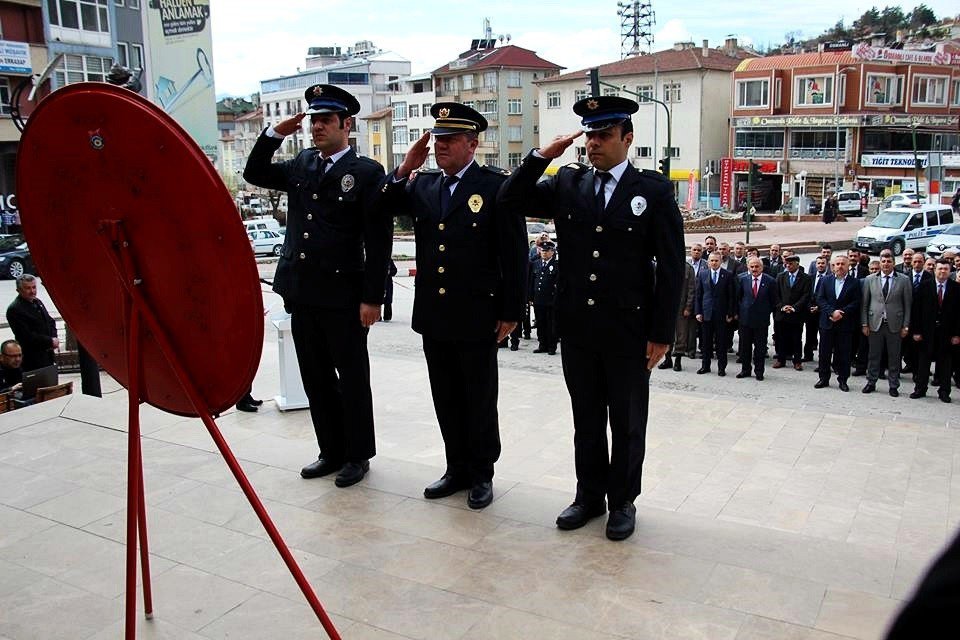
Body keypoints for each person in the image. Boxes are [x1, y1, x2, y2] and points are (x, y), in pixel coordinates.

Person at [497, 94, 685, 541]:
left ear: (627, 138)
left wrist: (662, 333)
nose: (594, 143)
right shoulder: (568, 181)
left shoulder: (652, 190)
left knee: (626, 418)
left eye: (604, 135)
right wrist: (543, 156)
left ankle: (622, 501)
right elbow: (510, 198)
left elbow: (673, 266)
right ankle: (588, 495)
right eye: (590, 135)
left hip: (629, 329)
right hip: (578, 327)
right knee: (586, 417)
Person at [243, 84, 392, 488]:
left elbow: (378, 242)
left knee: (352, 376)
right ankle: (331, 449)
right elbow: (254, 172)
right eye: (313, 120)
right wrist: (275, 133)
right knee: (315, 376)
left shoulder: (366, 173)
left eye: (326, 120)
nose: (317, 127)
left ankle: (357, 455)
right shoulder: (303, 163)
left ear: (347, 124)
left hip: (343, 294)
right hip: (303, 290)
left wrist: (372, 298)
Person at [379, 102, 525, 509]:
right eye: (437, 139)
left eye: (449, 139)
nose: (440, 146)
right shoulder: (424, 185)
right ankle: (455, 466)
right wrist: (405, 168)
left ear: (472, 144)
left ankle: (482, 473)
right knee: (445, 396)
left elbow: (514, 252)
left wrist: (512, 309)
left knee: (479, 397)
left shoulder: (495, 185)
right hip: (434, 314)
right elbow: (383, 205)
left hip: (478, 314)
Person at [861, 251, 911, 397]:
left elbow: (908, 305)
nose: (886, 264)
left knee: (894, 357)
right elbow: (865, 303)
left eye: (889, 261)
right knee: (873, 355)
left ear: (894, 263)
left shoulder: (903, 280)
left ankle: (893, 385)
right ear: (880, 263)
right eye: (883, 261)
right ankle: (871, 381)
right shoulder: (870, 279)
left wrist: (906, 325)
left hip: (895, 324)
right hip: (874, 323)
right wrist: (864, 323)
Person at [910, 259, 960, 402]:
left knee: (945, 364)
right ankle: (920, 389)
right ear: (934, 270)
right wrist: (916, 331)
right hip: (927, 332)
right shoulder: (924, 286)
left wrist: (957, 334)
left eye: (945, 269)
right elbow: (916, 310)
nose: (942, 271)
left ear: (950, 271)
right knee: (923, 363)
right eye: (940, 269)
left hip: (947, 333)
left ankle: (944, 392)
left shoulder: (956, 288)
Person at [814, 255, 862, 392]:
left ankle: (843, 380)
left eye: (843, 264)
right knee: (824, 353)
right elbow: (820, 298)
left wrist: (841, 313)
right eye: (837, 264)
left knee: (844, 354)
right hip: (827, 323)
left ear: (848, 266)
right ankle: (823, 378)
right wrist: (831, 312)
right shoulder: (825, 280)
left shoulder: (855, 282)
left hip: (845, 324)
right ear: (832, 266)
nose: (840, 266)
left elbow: (856, 302)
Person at [734, 257, 778, 380]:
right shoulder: (742, 279)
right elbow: (738, 298)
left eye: (757, 266)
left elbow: (774, 301)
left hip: (761, 321)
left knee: (760, 348)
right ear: (748, 267)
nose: (754, 269)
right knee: (745, 347)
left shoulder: (770, 281)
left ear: (762, 267)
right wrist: (738, 313)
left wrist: (765, 312)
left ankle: (759, 371)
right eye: (752, 266)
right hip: (745, 320)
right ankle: (745, 370)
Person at [6, 274, 59, 372]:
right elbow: (26, 336)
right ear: (19, 290)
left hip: (47, 354)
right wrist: (49, 341)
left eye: (34, 287)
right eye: (28, 288)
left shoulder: (37, 302)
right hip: (33, 358)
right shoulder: (15, 309)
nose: (32, 291)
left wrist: (54, 338)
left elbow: (50, 321)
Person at [695, 252, 735, 376]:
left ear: (720, 262)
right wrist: (698, 312)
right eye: (711, 261)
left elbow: (731, 296)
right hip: (706, 314)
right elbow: (698, 295)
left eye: (716, 261)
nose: (714, 263)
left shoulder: (727, 275)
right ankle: (705, 366)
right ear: (708, 262)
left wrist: (730, 313)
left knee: (721, 343)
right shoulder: (703, 274)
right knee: (706, 343)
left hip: (721, 315)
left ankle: (721, 367)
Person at [773, 255, 811, 370]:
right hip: (782, 313)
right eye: (786, 264)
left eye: (791, 264)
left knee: (796, 339)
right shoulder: (780, 276)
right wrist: (782, 307)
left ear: (797, 264)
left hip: (797, 314)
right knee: (781, 338)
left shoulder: (805, 278)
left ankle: (797, 361)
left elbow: (806, 295)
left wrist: (794, 307)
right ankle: (781, 359)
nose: (788, 266)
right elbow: (776, 294)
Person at [659, 260, 696, 372]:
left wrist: (688, 307)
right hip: (667, 305)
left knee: (681, 334)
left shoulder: (688, 268)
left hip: (681, 306)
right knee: (667, 333)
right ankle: (668, 359)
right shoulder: (665, 265)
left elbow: (691, 289)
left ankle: (678, 360)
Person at [530, 241, 559, 355]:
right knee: (540, 323)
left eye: (546, 251)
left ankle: (552, 346)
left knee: (550, 324)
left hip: (550, 300)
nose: (544, 253)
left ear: (552, 252)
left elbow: (558, 284)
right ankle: (542, 344)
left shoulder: (556, 265)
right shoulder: (536, 264)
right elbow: (532, 282)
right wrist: (530, 297)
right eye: (542, 251)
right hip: (538, 299)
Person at [803, 255, 829, 363]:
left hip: (823, 312)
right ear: (815, 264)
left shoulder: (830, 278)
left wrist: (819, 307)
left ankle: (822, 360)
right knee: (809, 334)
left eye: (823, 263)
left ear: (826, 265)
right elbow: (806, 294)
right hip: (810, 311)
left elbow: (829, 296)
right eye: (818, 263)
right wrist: (809, 306)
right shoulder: (810, 277)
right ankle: (808, 355)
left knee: (824, 337)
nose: (820, 265)